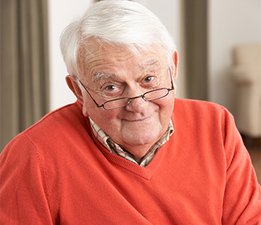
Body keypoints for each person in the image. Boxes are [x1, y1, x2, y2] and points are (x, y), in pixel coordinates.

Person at [0, 0, 260, 224]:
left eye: (148, 78)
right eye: (111, 87)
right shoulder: (32, 155)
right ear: (79, 91)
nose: (136, 103)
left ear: (174, 68)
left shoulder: (216, 125)